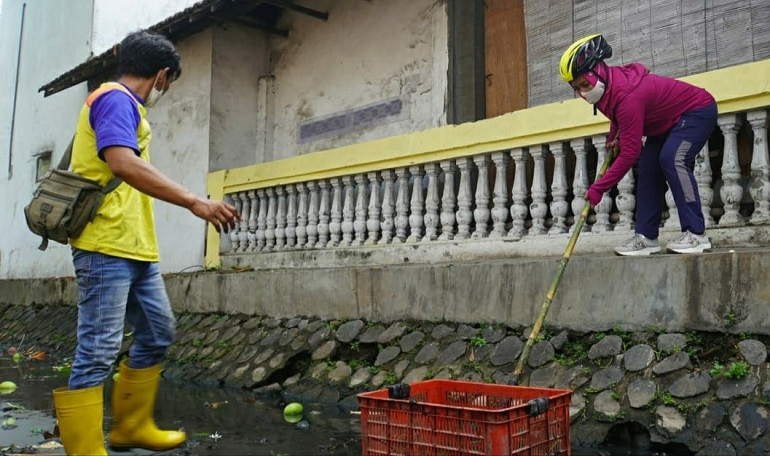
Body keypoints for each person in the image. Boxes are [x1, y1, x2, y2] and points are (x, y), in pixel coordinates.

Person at [52, 30, 240, 455]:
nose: (165, 90)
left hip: (135, 247)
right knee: (98, 350)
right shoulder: (115, 99)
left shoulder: (126, 105)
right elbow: (123, 163)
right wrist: (195, 201)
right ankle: (84, 450)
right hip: (105, 245)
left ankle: (131, 427)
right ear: (161, 76)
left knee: (157, 331)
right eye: (168, 83)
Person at [559, 34, 717, 256]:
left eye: (585, 84)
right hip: (664, 124)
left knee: (672, 159)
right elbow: (617, 114)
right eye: (577, 88)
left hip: (697, 112)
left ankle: (696, 234)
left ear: (599, 72)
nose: (583, 93)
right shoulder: (607, 88)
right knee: (649, 169)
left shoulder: (628, 96)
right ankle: (646, 237)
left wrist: (599, 187)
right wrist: (614, 137)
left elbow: (631, 152)